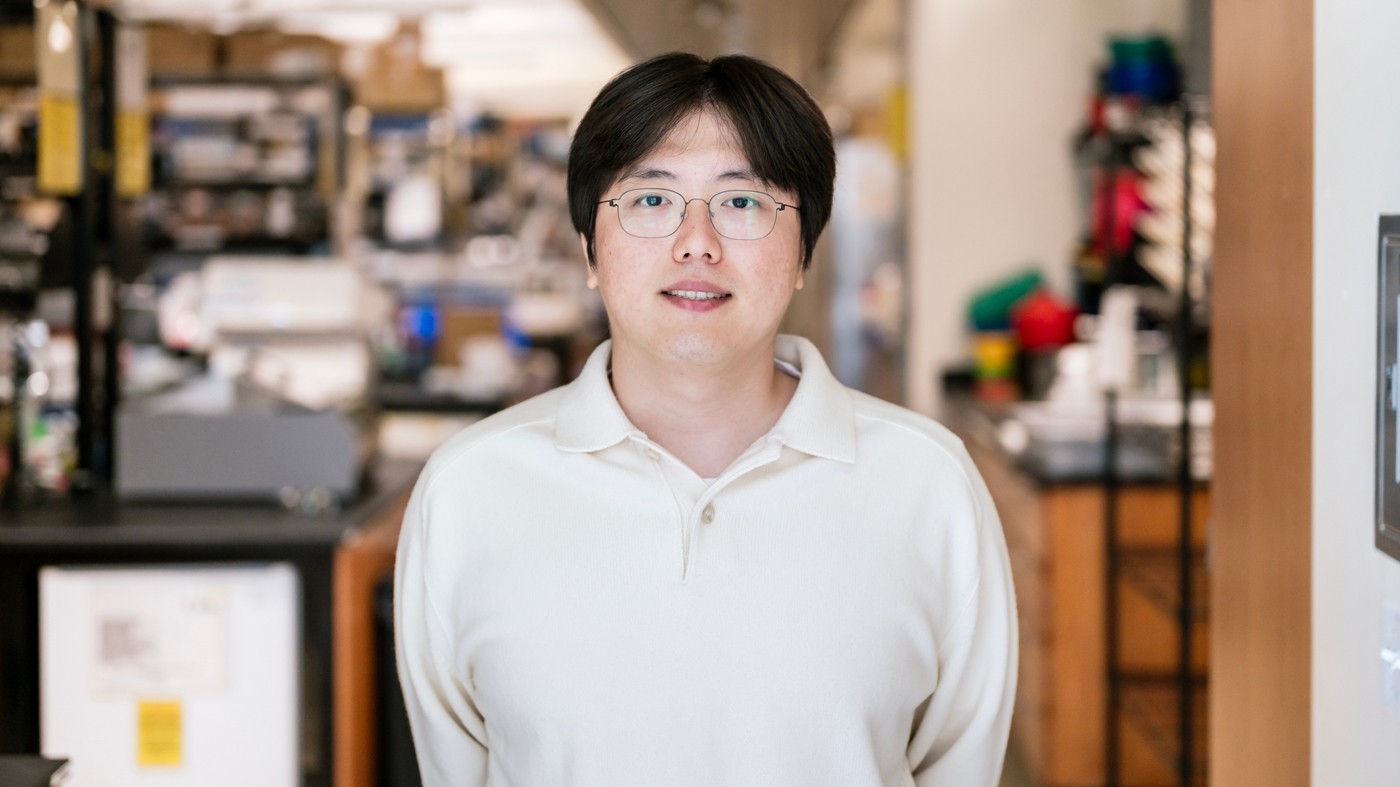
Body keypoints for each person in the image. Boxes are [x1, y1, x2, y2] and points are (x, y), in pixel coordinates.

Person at [395, 52, 1017, 787]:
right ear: (590, 248)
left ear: (802, 253)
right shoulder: (471, 489)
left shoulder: (928, 485)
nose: (697, 243)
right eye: (651, 201)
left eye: (744, 202)